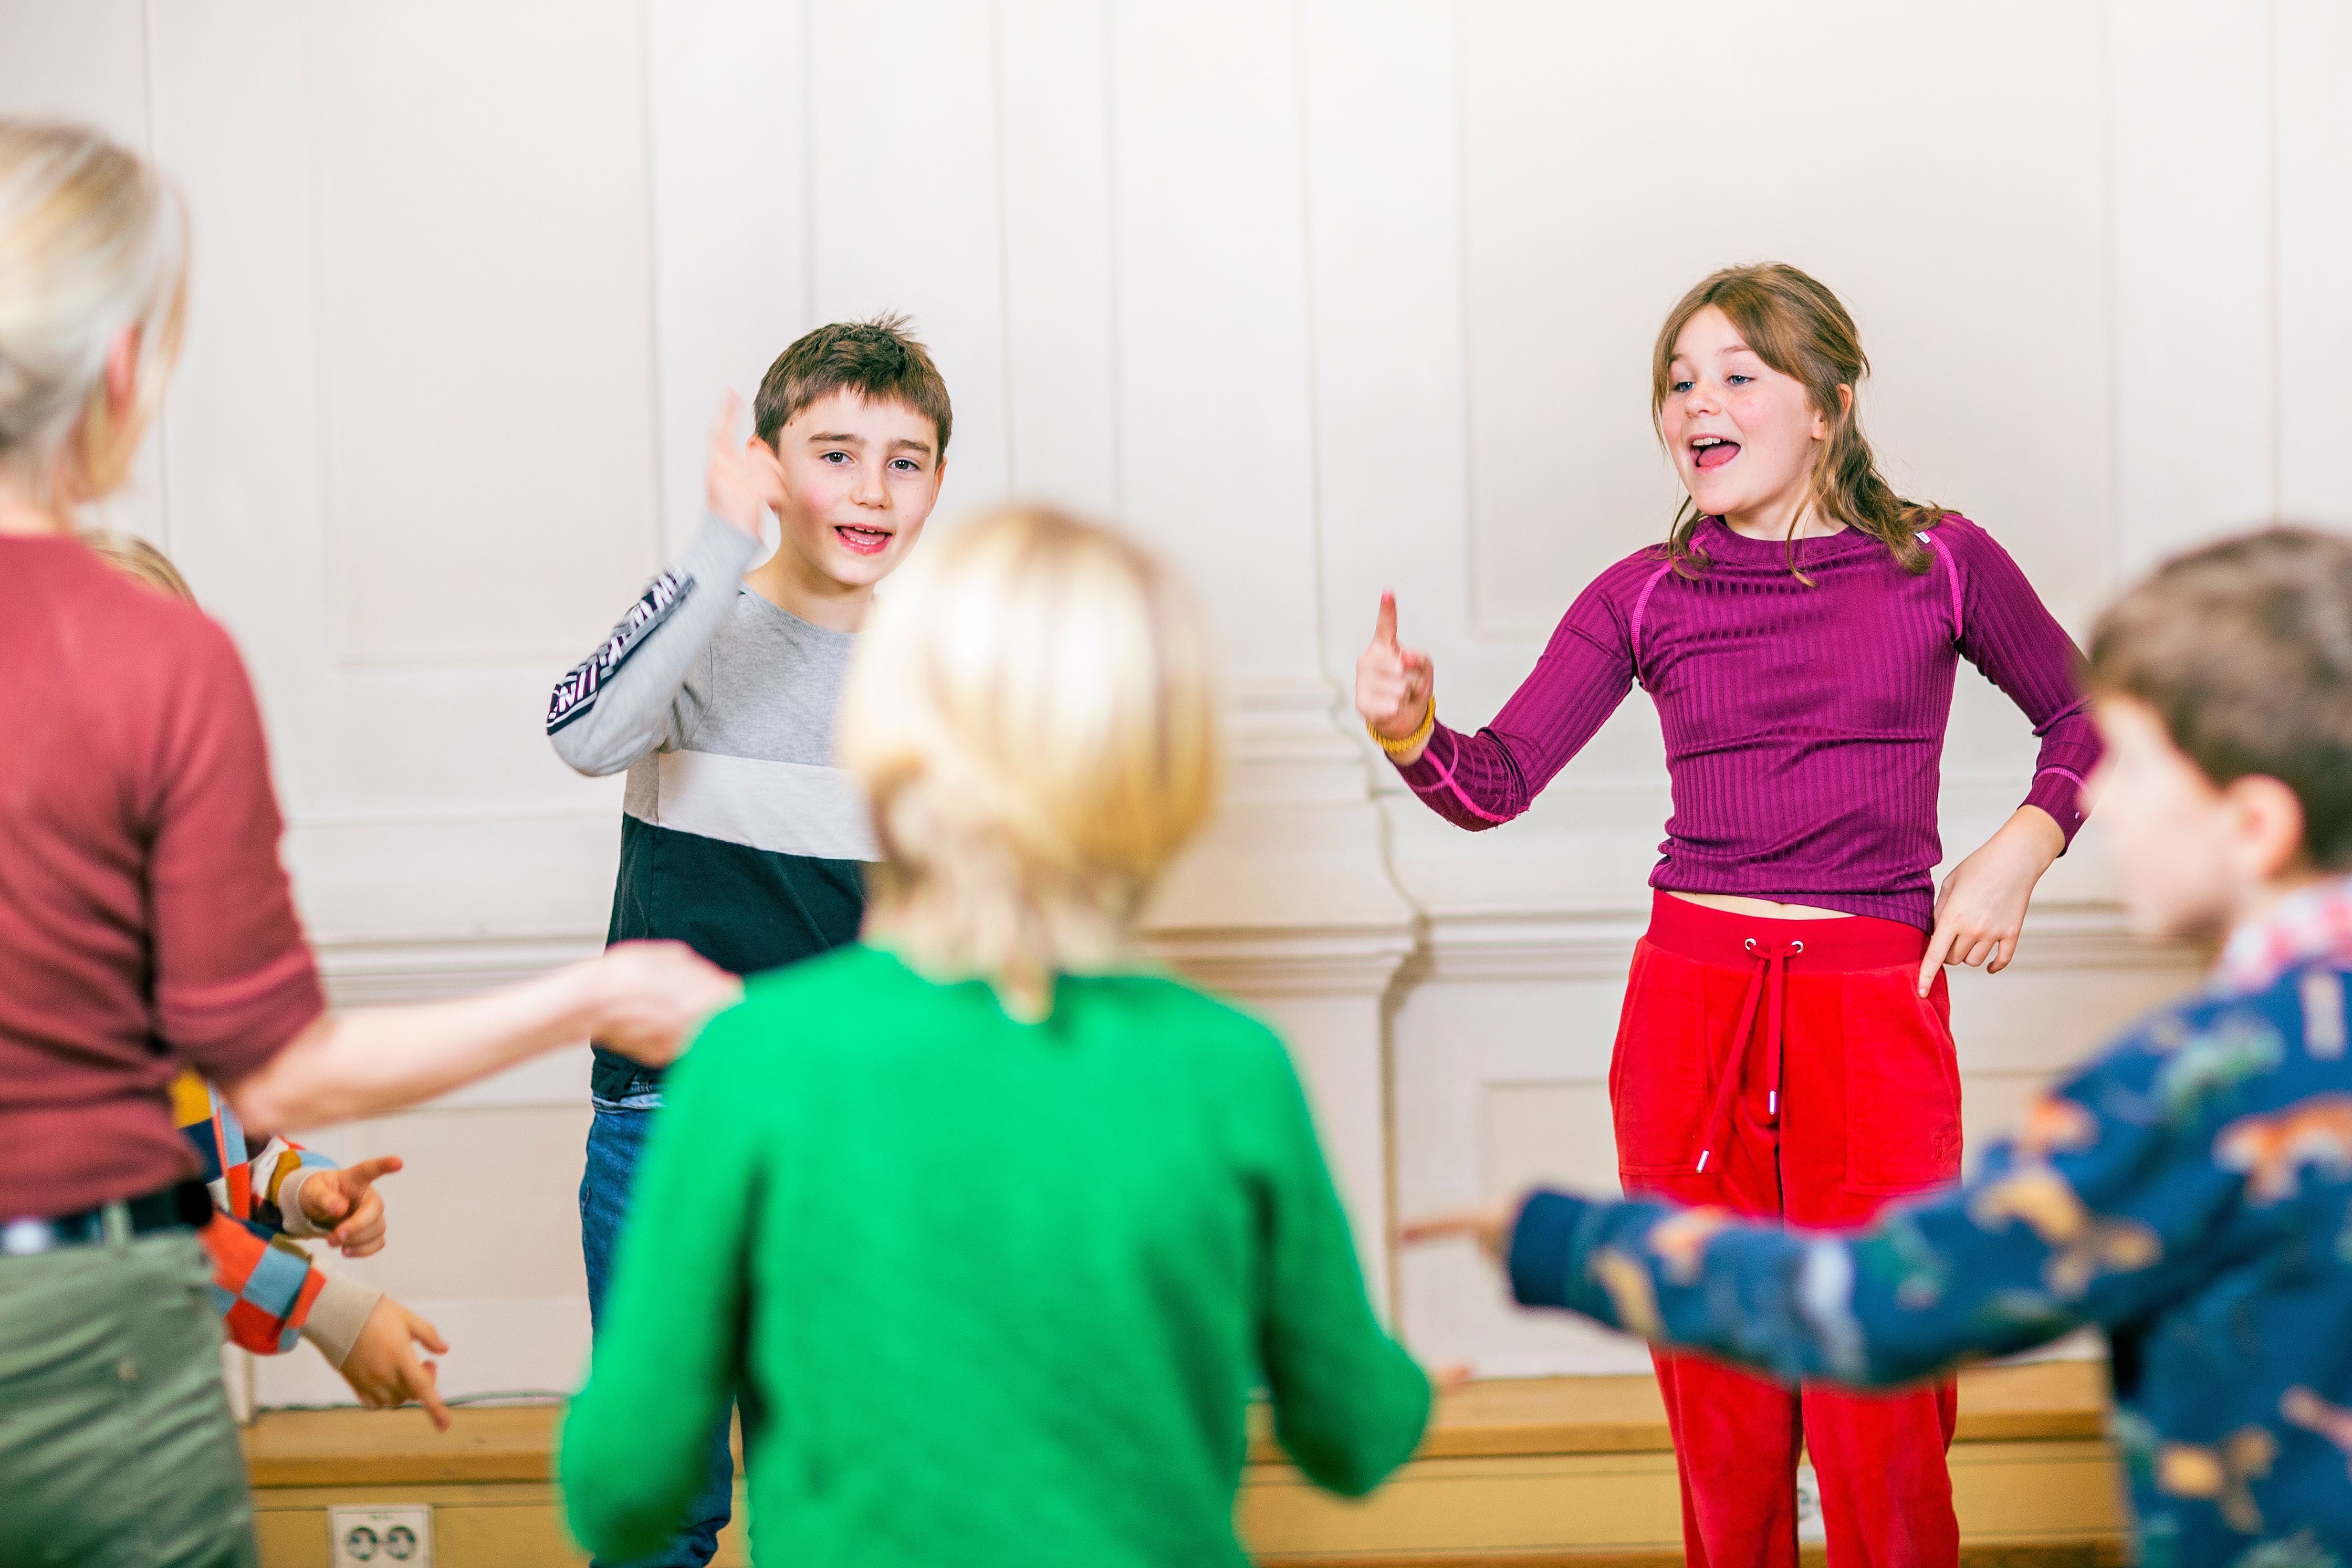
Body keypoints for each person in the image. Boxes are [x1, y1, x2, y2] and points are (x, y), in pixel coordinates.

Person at [0, 119, 736, 1568]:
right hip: (84, 1347)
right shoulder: (150, 660)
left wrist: (288, 1205)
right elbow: (275, 1066)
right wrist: (598, 993)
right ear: (125, 367)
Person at [1409, 525, 2352, 1567]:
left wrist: (1570, 1241)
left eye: (2134, 769)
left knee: (1883, 1449)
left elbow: (1895, 1299)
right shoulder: (2228, 1067)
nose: (2096, 798)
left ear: (2255, 823)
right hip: (1698, 997)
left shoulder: (2189, 1084)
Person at [1357, 263, 2099, 1567]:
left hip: (1870, 1008)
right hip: (1688, 1011)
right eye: (1677, 380)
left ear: (1828, 404)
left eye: (1735, 375)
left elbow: (2091, 717)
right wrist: (1409, 728)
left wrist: (2019, 849)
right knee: (1721, 1414)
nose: (1695, 402)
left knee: (1883, 1397)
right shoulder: (1642, 593)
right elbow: (1493, 786)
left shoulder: (1940, 562)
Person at [559, 508, 1435, 1566]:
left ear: (887, 735)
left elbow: (619, 1486)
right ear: (1168, 764)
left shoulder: (755, 1061)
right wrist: (1407, 1390)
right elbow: (1356, 1433)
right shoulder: (1228, 1068)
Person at [545, 314, 950, 1567]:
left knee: (832, 1495)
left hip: (852, 1133)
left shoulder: (939, 673)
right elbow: (581, 731)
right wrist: (717, 547)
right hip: (669, 1120)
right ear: (772, 466)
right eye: (835, 454)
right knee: (659, 1498)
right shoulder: (702, 629)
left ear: (936, 483)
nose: (871, 490)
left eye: (903, 461)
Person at [81, 528, 456, 1426]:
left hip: (162, 1385)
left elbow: (228, 1151)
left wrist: (304, 1190)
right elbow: (116, 1212)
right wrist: (329, 1312)